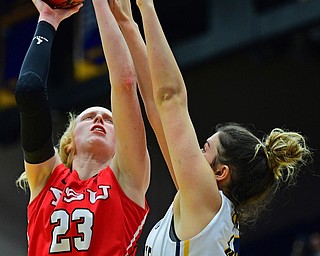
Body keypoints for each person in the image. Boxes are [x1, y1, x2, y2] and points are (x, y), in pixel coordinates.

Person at [108, 0, 313, 255]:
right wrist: (128, 24)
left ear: (220, 172)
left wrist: (146, 7)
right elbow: (157, 110)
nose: (194, 151)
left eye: (204, 149)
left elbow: (170, 98)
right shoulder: (203, 205)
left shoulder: (205, 201)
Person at [14, 0, 150, 255]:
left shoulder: (127, 179)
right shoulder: (46, 179)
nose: (99, 119)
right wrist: (48, 19)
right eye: (88, 118)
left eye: (109, 121)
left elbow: (125, 83)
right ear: (69, 143)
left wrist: (98, 3)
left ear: (120, 145)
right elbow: (29, 91)